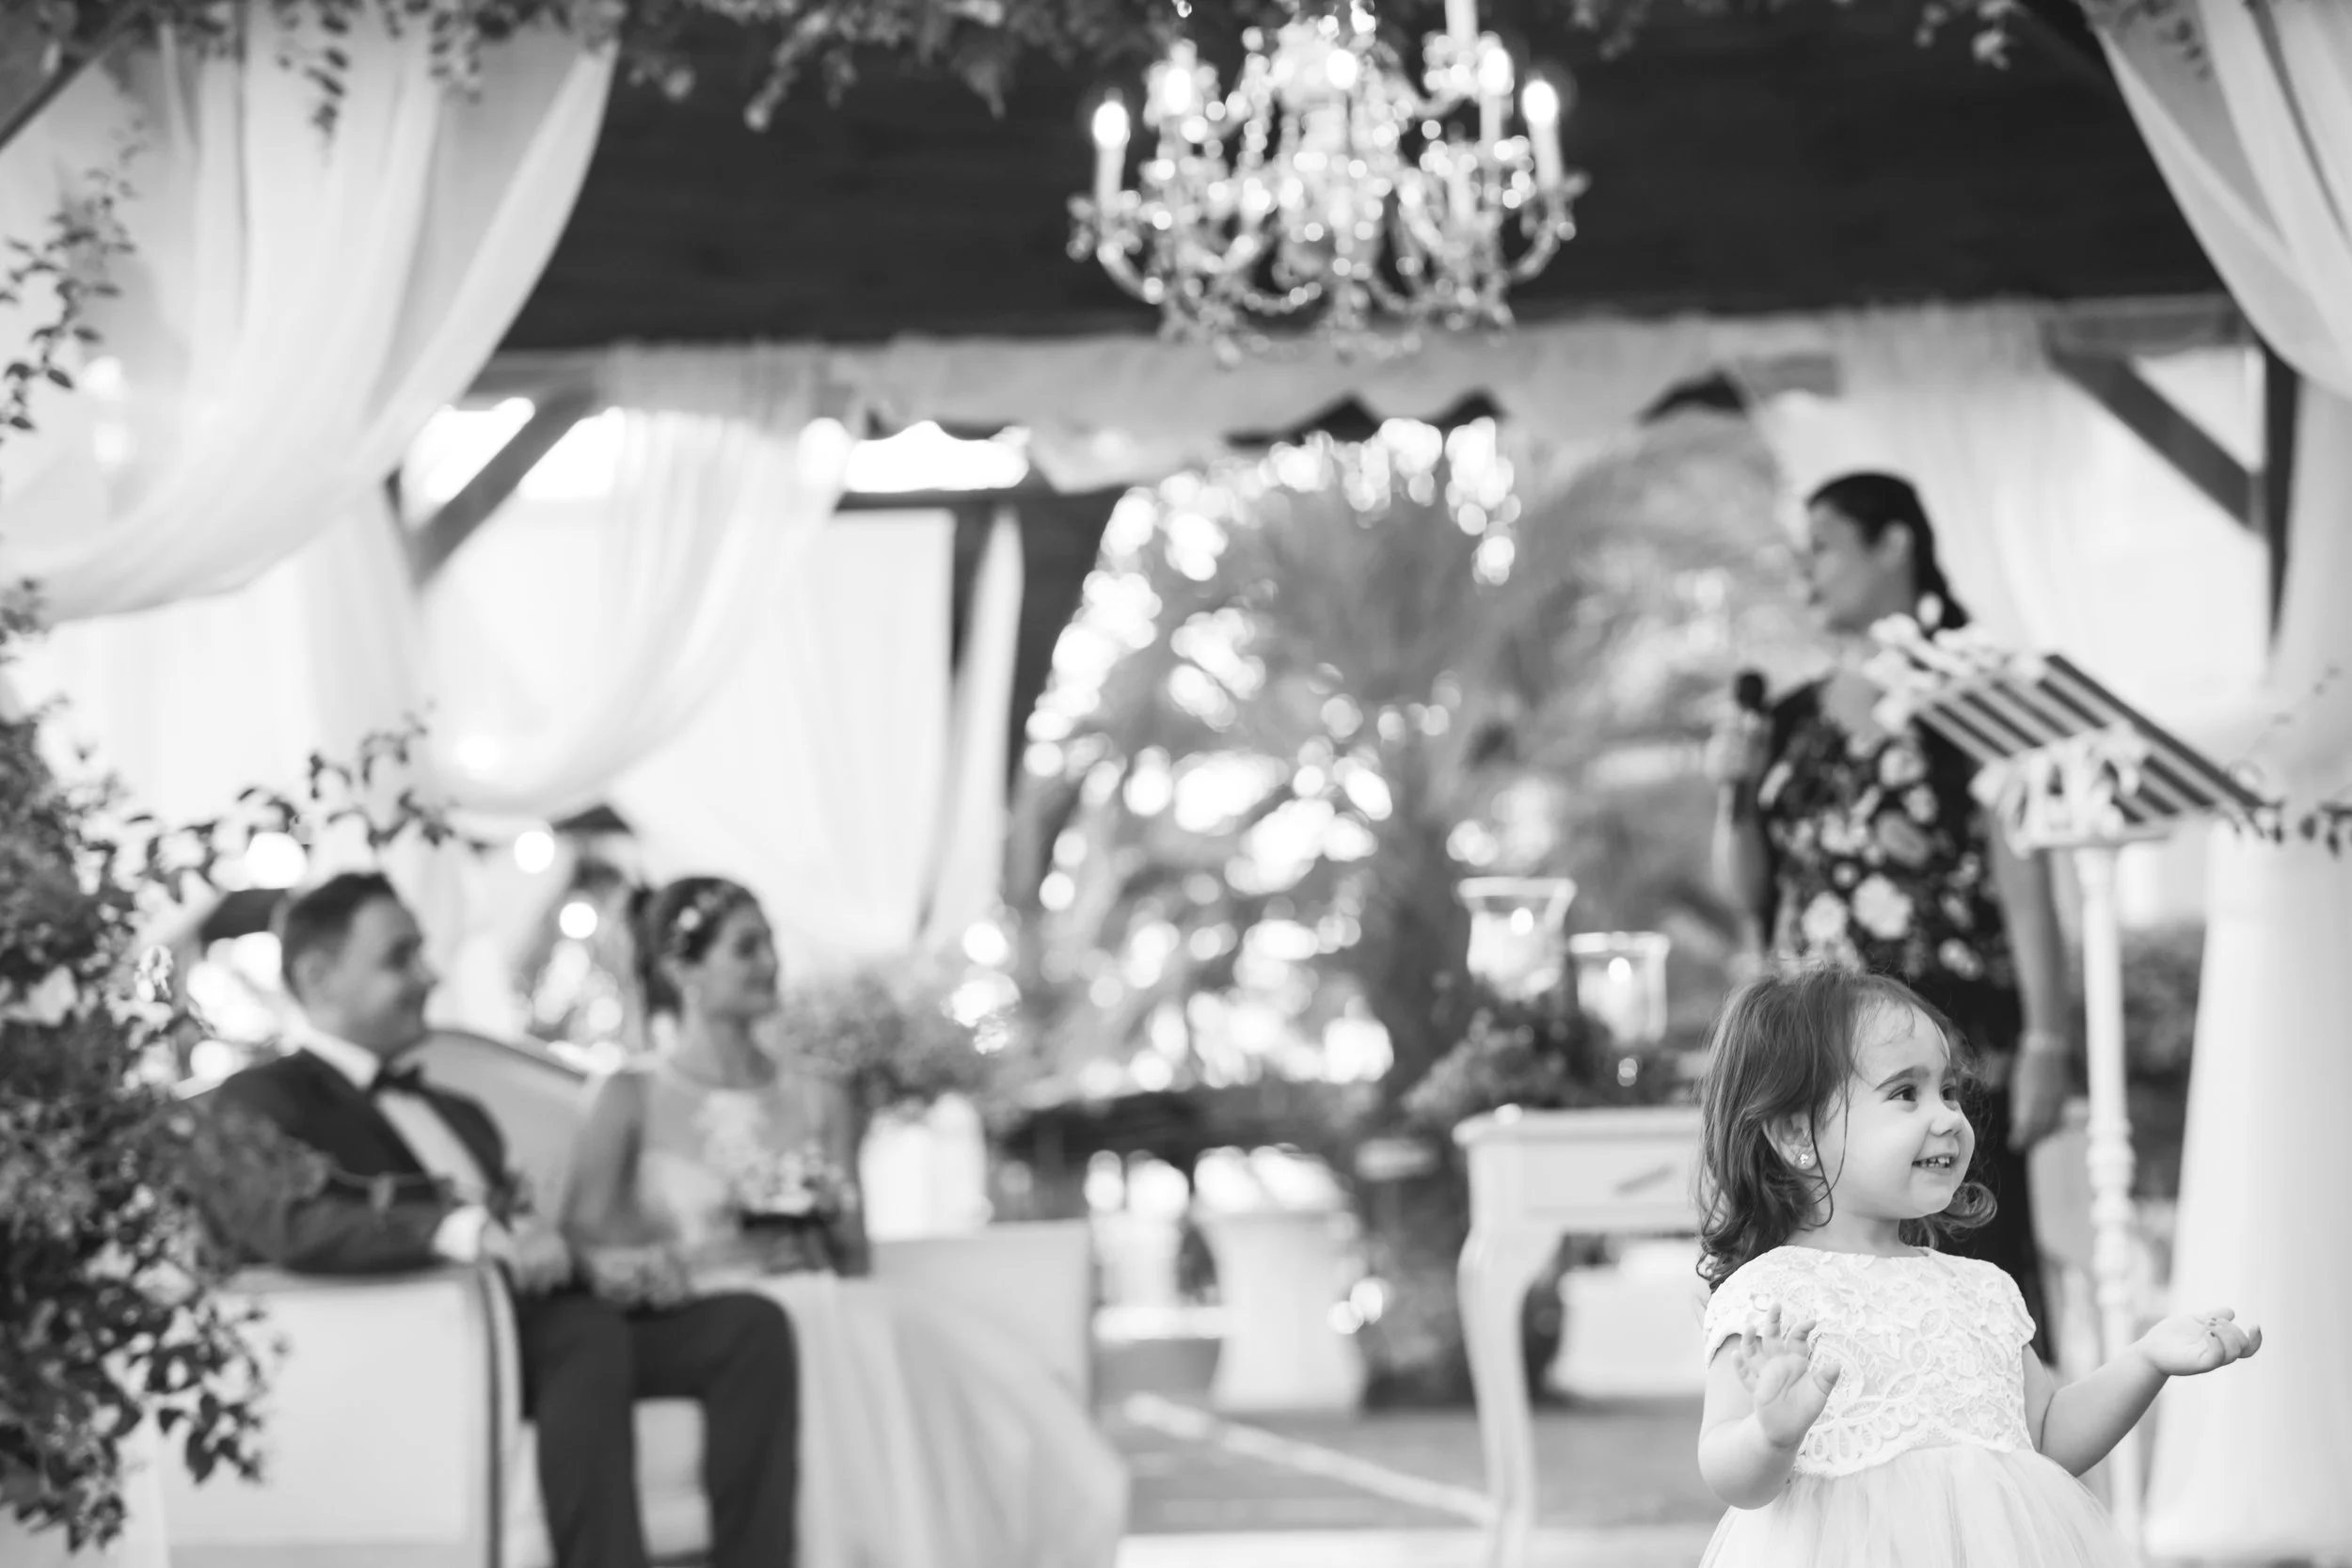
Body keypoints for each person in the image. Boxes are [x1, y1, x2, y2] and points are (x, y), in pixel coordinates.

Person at [200, 872, 800, 1568]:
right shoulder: (261, 1099)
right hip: (426, 1340)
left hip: (540, 1324)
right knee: (583, 1333)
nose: (430, 974)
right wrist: (461, 1230)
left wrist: (601, 1263)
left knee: (749, 1328)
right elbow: (285, 1223)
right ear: (319, 976)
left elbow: (531, 1242)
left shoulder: (463, 1114)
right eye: (400, 957)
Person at [564, 876, 1128, 1568]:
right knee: (794, 1331)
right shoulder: (628, 1095)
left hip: (820, 1294)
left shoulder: (820, 1094)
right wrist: (688, 1262)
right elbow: (585, 1239)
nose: (769, 961)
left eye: (770, 941)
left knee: (852, 1326)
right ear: (685, 971)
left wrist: (815, 1220)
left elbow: (853, 1254)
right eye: (746, 947)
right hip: (707, 1314)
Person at [1692, 966, 2260, 1563]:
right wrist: (1770, 1435)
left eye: (1950, 1091)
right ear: (1795, 1133)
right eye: (1906, 1093)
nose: (1946, 1117)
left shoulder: (1982, 1289)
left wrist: (2147, 1361)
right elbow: (1729, 1472)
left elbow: (2044, 1437)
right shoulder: (1774, 1295)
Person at [1708, 470, 2073, 1352]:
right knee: (1822, 1264)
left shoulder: (1975, 696)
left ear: (1895, 544)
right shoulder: (1789, 720)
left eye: (1824, 546)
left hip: (1943, 1039)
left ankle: (2011, 1457)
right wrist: (1732, 786)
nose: (1807, 571)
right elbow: (1743, 890)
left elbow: (2026, 883)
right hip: (1819, 1049)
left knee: (1974, 1258)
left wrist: (2051, 1039)